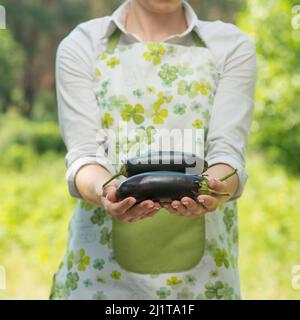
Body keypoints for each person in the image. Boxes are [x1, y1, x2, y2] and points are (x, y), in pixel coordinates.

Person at [50, 0, 256, 300]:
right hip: (99, 282)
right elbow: (84, 156)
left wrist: (214, 187)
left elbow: (228, 153)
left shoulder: (230, 45)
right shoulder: (83, 45)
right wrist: (105, 190)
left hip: (202, 286)